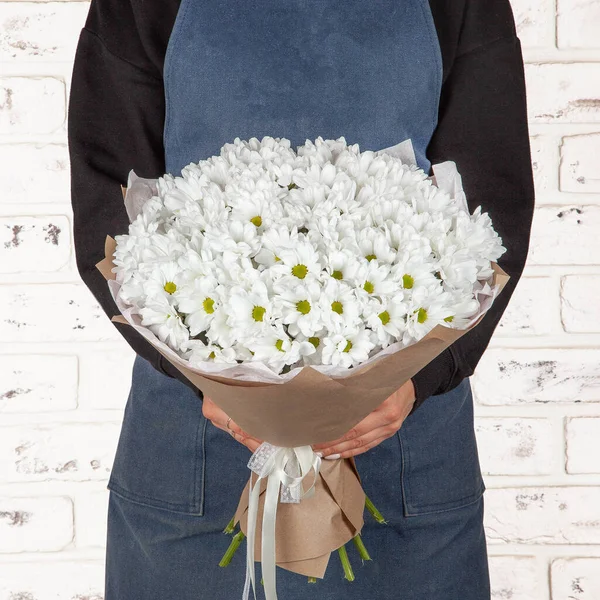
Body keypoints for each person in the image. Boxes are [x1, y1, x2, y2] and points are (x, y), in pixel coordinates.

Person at [68, 0, 535, 598]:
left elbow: (490, 207)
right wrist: (210, 375)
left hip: (402, 433)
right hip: (199, 437)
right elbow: (110, 195)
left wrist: (414, 381)